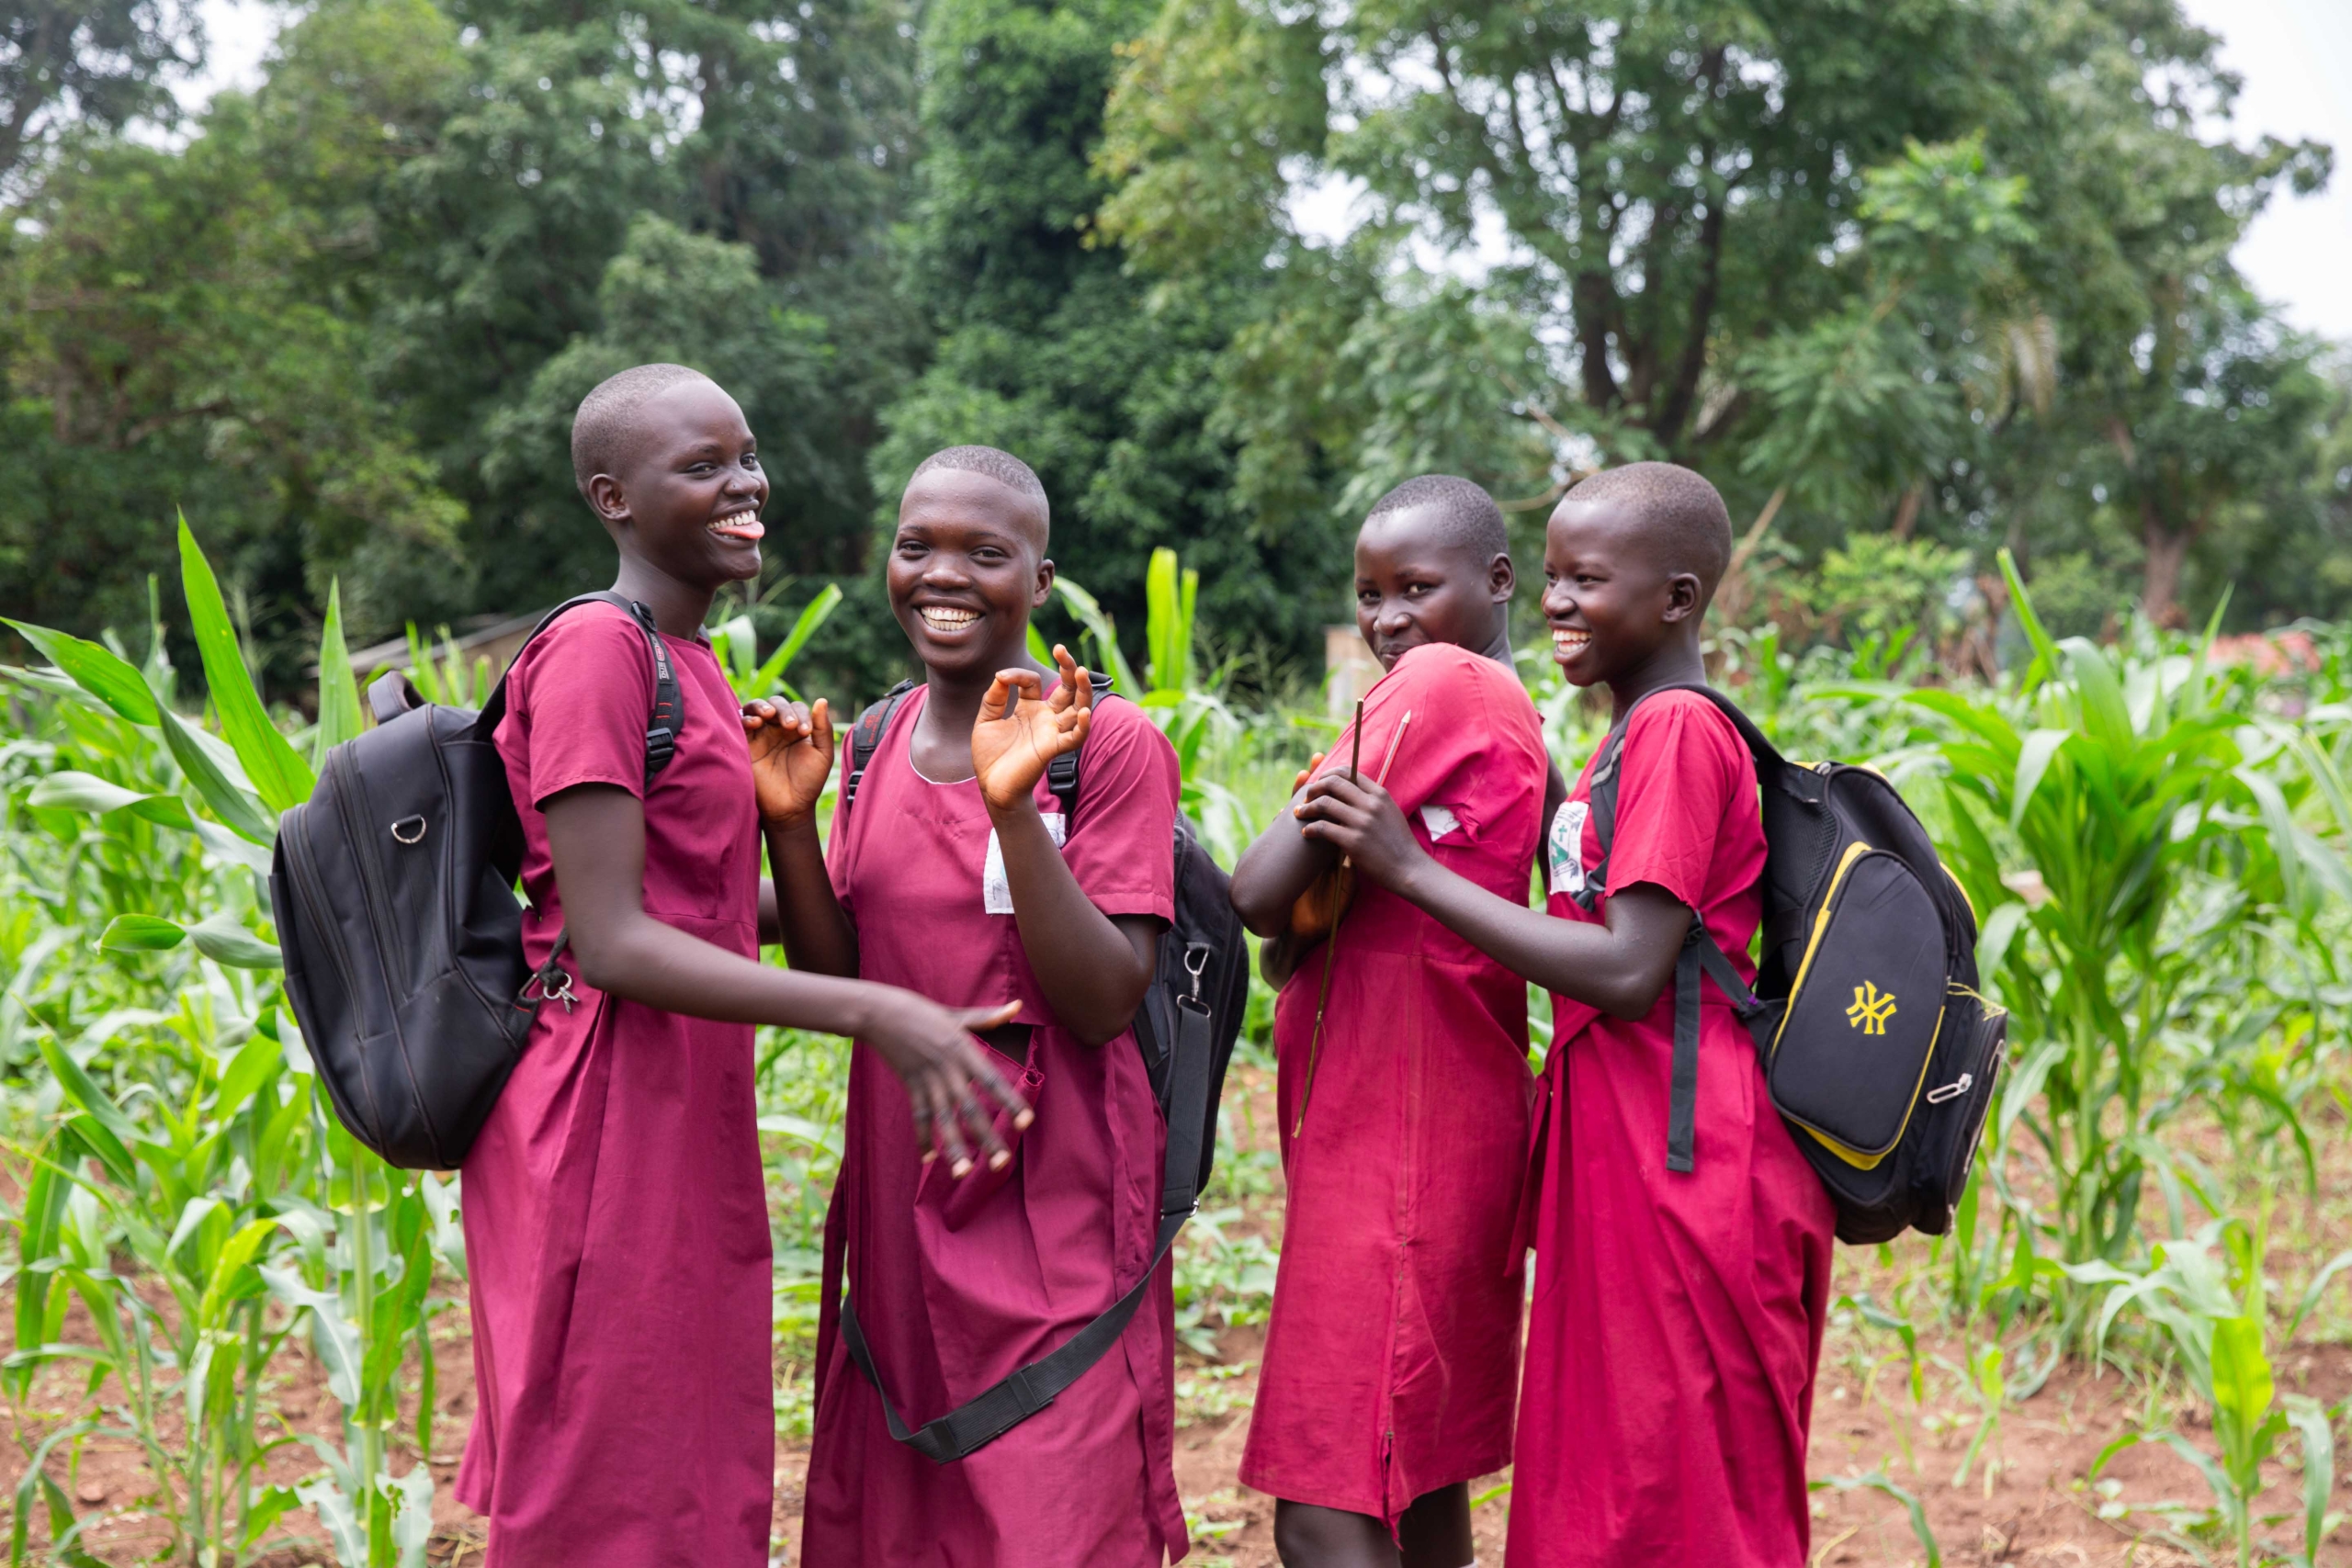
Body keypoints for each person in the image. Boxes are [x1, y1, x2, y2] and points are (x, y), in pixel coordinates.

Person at [456, 366, 1027, 1568]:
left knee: (686, 1470)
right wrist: (876, 1007)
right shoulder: (597, 653)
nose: (744, 485)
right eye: (703, 466)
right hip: (602, 1110)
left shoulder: (691, 661)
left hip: (679, 1103)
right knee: (605, 1484)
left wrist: (818, 843)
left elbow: (705, 907)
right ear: (613, 496)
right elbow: (612, 936)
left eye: (748, 456)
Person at [1293, 462, 1835, 1567]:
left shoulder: (1679, 728)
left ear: (1678, 599)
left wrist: (1405, 868)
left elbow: (1631, 966)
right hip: (1628, 1144)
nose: (1554, 605)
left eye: (1587, 579)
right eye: (1548, 578)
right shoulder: (1618, 739)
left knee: (1681, 1485)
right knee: (1621, 1477)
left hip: (1690, 1157)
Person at [756, 446, 1188, 1567]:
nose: (943, 576)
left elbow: (1102, 1000)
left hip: (1058, 1212)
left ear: (1039, 581)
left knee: (1056, 1516)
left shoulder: (1108, 745)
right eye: (917, 547)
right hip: (905, 1208)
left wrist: (1012, 809)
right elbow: (838, 976)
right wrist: (794, 827)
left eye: (985, 554)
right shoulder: (873, 740)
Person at [1227, 476, 1552, 1568]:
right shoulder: (1517, 714)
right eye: (1368, 595)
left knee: (1326, 1503)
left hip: (1395, 1146)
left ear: (1498, 583)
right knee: (1415, 1477)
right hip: (1447, 1124)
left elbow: (1259, 894)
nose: (1386, 620)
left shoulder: (1442, 682)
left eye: (1417, 587)